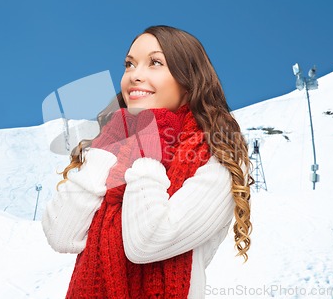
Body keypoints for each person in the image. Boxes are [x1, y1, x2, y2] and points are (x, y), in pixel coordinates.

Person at [42, 25, 253, 299]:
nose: (135, 75)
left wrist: (148, 145)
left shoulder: (216, 159)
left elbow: (147, 242)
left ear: (188, 81)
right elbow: (62, 234)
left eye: (155, 63)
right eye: (129, 64)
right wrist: (109, 144)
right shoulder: (113, 141)